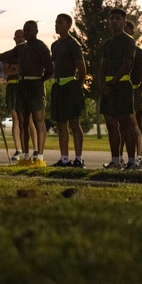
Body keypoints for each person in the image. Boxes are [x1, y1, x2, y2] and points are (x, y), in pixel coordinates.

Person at [0, 20, 53, 165]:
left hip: (35, 86)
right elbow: (1, 56)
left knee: (38, 122)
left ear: (36, 31)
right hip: (22, 86)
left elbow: (49, 69)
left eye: (30, 30)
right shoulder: (20, 49)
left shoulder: (41, 47)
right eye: (25, 30)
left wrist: (40, 80)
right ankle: (25, 156)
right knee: (23, 121)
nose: (27, 32)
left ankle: (40, 156)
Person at [98, 9, 140, 169]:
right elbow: (103, 65)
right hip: (108, 88)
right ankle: (115, 160)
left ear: (124, 21)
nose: (114, 21)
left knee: (125, 124)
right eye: (111, 19)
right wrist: (102, 83)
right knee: (110, 125)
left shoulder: (128, 41)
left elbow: (127, 64)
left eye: (117, 18)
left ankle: (131, 162)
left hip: (122, 86)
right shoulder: (108, 43)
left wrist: (113, 82)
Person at [49, 13, 87, 168]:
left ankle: (78, 159)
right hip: (59, 87)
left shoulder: (73, 44)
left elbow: (82, 67)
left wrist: (78, 85)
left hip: (71, 85)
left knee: (74, 123)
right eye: (56, 22)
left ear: (68, 25)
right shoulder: (55, 45)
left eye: (60, 22)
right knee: (60, 124)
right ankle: (64, 159)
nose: (56, 25)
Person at [125, 20, 142, 168]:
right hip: (121, 91)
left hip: (134, 90)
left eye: (127, 30)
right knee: (123, 126)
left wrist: (140, 88)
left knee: (137, 126)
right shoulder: (118, 50)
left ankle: (139, 158)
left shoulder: (139, 52)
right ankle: (125, 158)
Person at [1, 28, 26, 162]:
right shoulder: (9, 54)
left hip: (25, 85)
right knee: (15, 119)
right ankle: (18, 150)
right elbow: (6, 71)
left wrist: (15, 67)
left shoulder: (28, 53)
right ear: (14, 38)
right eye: (18, 37)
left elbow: (28, 68)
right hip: (12, 86)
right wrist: (16, 68)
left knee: (29, 120)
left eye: (22, 36)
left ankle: (34, 151)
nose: (20, 39)